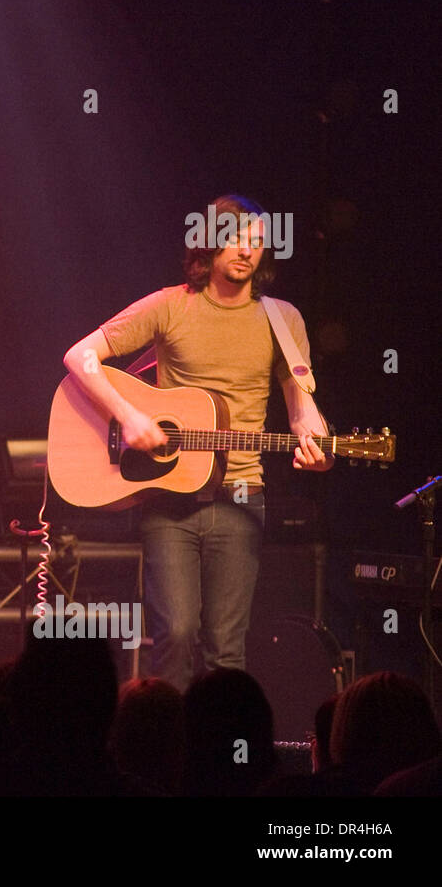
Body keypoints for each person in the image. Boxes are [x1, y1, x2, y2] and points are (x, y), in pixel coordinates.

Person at [62, 194, 333, 692]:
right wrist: (129, 415)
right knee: (176, 634)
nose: (245, 250)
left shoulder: (282, 318)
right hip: (171, 499)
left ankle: (221, 761)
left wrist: (316, 445)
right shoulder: (171, 305)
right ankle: (168, 757)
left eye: (256, 241)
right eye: (233, 238)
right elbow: (81, 356)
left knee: (227, 647)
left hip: (242, 495)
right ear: (208, 244)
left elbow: (301, 407)